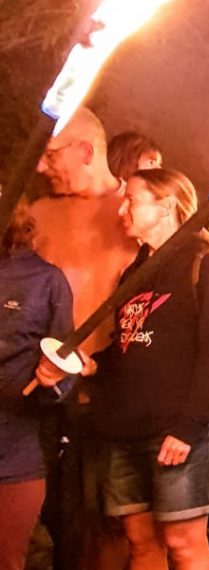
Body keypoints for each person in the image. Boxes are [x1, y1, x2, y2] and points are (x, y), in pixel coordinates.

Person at [43, 169, 209, 569]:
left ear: (166, 205)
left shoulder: (203, 267)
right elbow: (133, 346)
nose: (123, 209)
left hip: (175, 432)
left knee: (184, 543)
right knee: (140, 541)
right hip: (124, 430)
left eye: (132, 199)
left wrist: (188, 428)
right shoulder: (136, 274)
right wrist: (95, 365)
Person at [31, 106, 138, 569]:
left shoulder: (135, 213)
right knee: (57, 513)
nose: (40, 166)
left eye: (51, 155)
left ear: (86, 151)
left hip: (114, 391)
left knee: (109, 520)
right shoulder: (34, 215)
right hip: (44, 393)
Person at [0, 205, 74, 570]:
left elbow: (65, 362)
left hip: (15, 449)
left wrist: (55, 377)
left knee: (8, 559)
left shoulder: (45, 281)